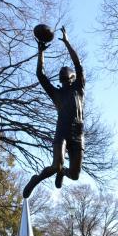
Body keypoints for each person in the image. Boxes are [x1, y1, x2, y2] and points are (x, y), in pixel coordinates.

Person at [23, 26, 85, 198]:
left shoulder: (79, 88)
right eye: (62, 77)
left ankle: (63, 173)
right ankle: (36, 179)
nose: (64, 77)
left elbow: (78, 64)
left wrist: (67, 42)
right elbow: (40, 75)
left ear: (73, 77)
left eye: (67, 76)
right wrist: (40, 52)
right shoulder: (56, 93)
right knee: (56, 164)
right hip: (62, 133)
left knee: (74, 175)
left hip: (78, 135)